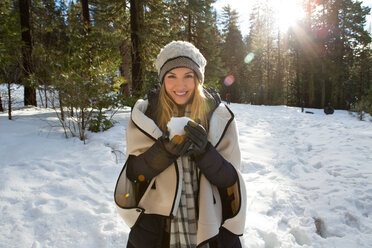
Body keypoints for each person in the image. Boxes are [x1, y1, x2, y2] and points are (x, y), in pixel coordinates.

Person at [114, 41, 246, 248]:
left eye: (188, 76)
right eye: (172, 76)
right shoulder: (146, 117)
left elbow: (231, 180)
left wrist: (205, 153)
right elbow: (134, 175)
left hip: (210, 229)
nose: (180, 85)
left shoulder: (219, 118)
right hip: (158, 232)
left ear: (198, 79)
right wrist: (163, 153)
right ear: (162, 79)